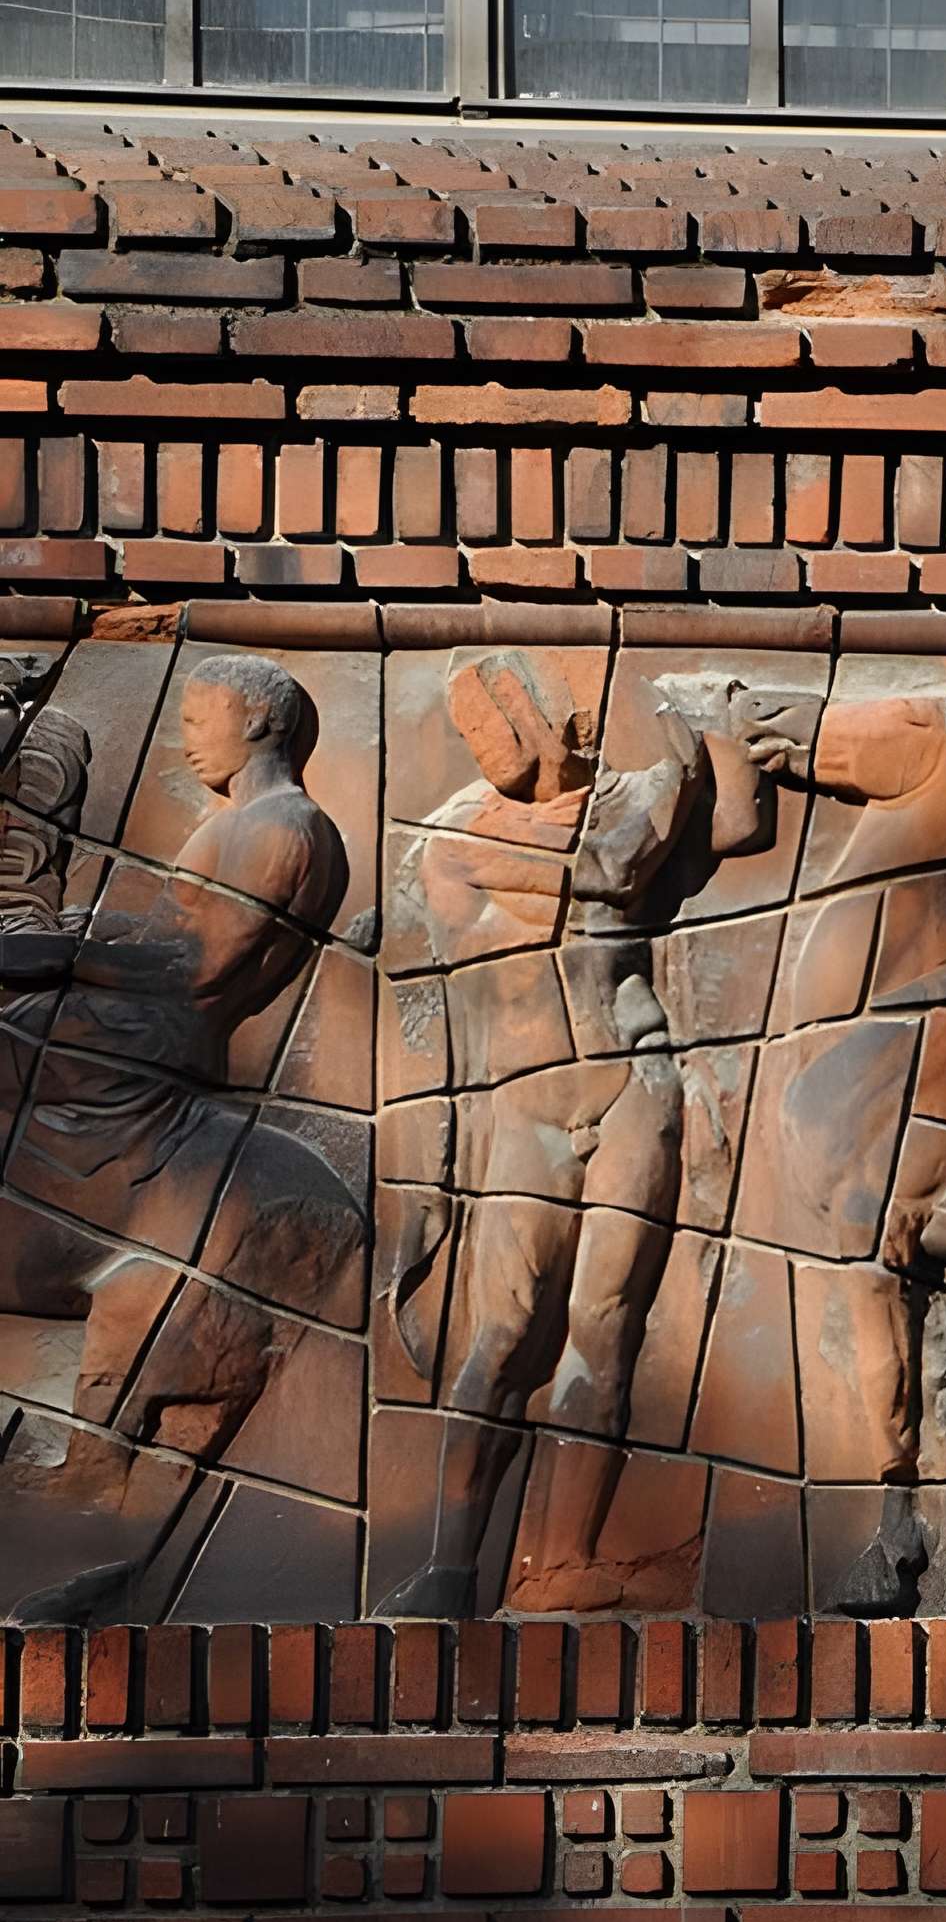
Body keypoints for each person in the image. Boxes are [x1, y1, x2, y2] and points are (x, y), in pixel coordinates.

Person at [0, 654, 360, 1622]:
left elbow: (196, 967)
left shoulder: (285, 829)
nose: (187, 735)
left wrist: (65, 953)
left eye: (200, 718)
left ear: (255, 720)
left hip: (151, 1042)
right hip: (132, 1016)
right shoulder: (238, 822)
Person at [375, 653, 713, 1617]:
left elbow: (722, 820)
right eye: (478, 729)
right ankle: (450, 1569)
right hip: (524, 1108)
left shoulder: (626, 799)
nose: (494, 744)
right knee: (506, 1332)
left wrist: (699, 747)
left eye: (506, 721)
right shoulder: (448, 841)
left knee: (605, 1332)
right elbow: (589, 877)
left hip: (631, 1087)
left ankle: (563, 1563)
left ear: (549, 719)